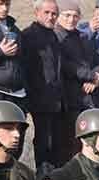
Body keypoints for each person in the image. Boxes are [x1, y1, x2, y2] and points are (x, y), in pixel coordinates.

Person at [54, 0, 99, 159]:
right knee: (70, 144)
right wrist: (90, 75)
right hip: (68, 99)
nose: (71, 19)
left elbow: (98, 61)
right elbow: (65, 65)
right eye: (67, 15)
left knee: (89, 142)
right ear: (59, 16)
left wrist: (97, 77)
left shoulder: (82, 37)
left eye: (75, 16)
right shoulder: (56, 37)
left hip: (88, 99)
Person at [19, 0, 65, 170]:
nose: (51, 17)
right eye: (47, 12)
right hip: (39, 99)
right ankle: (43, 178)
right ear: (36, 13)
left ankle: (54, 178)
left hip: (56, 100)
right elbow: (24, 69)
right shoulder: (27, 36)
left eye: (54, 14)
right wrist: (30, 96)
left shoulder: (54, 36)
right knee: (44, 142)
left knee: (57, 143)